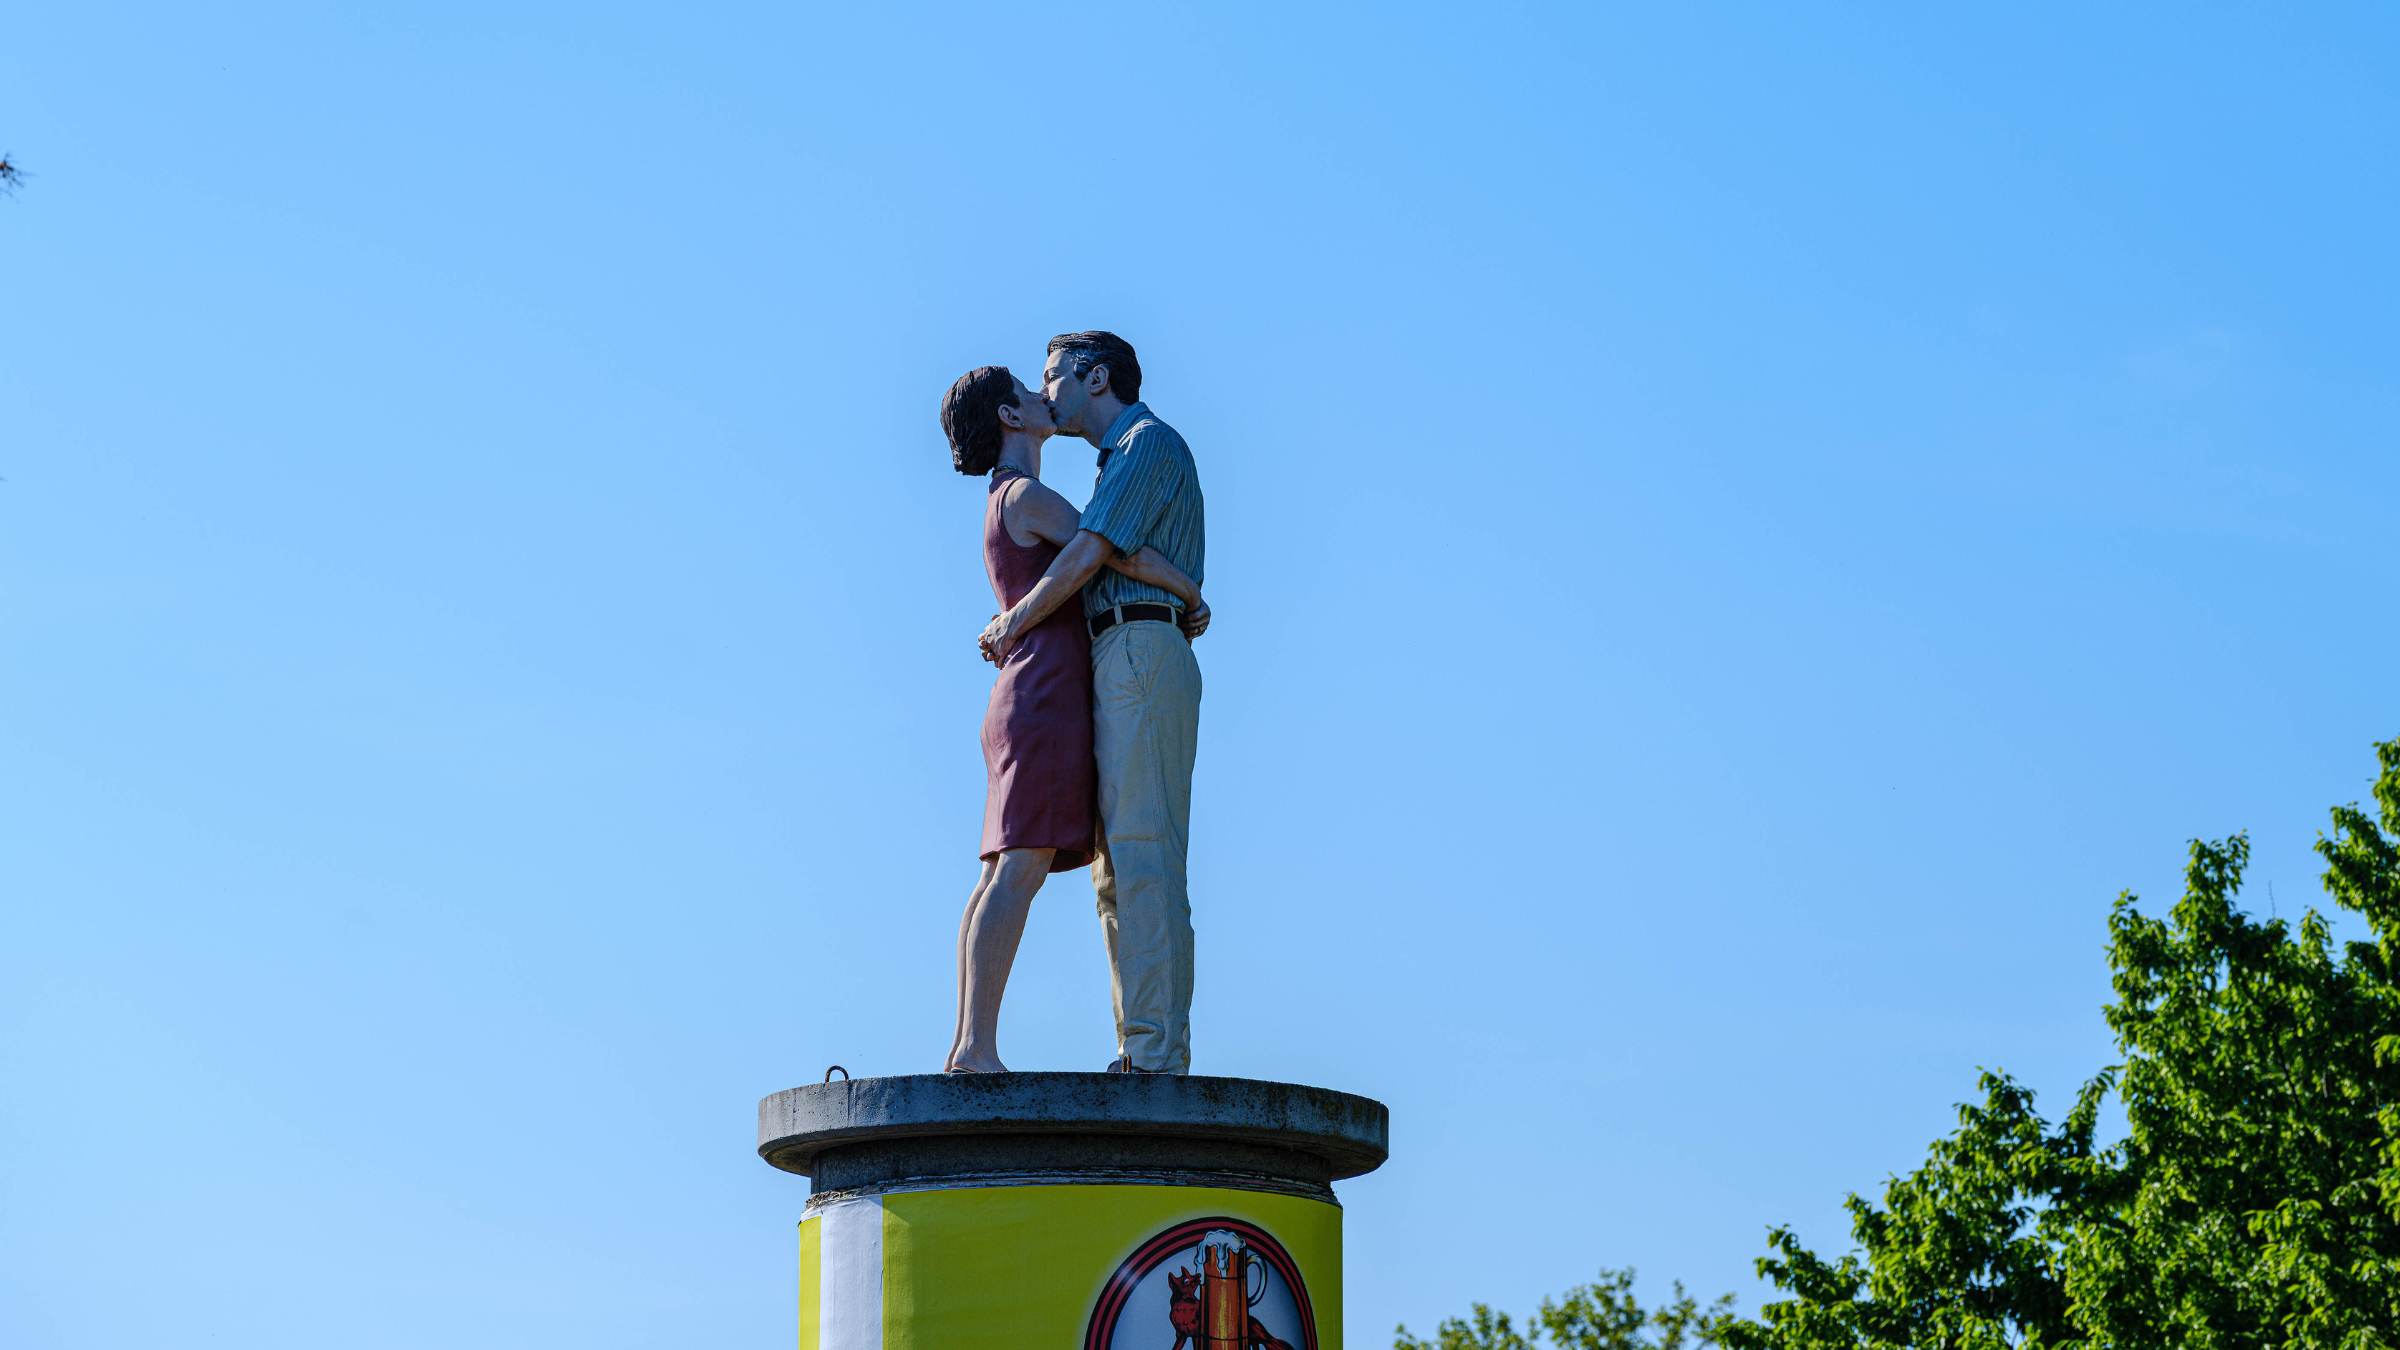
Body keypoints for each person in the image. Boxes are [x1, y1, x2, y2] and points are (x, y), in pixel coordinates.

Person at [940, 365, 1207, 1074]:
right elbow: (1113, 547)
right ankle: (976, 1048)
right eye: (1030, 391)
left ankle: (969, 1041)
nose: (1043, 397)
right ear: (1010, 416)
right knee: (1019, 866)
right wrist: (1187, 588)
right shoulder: (1027, 495)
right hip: (1045, 690)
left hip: (1026, 690)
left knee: (1002, 868)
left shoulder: (1003, 499)